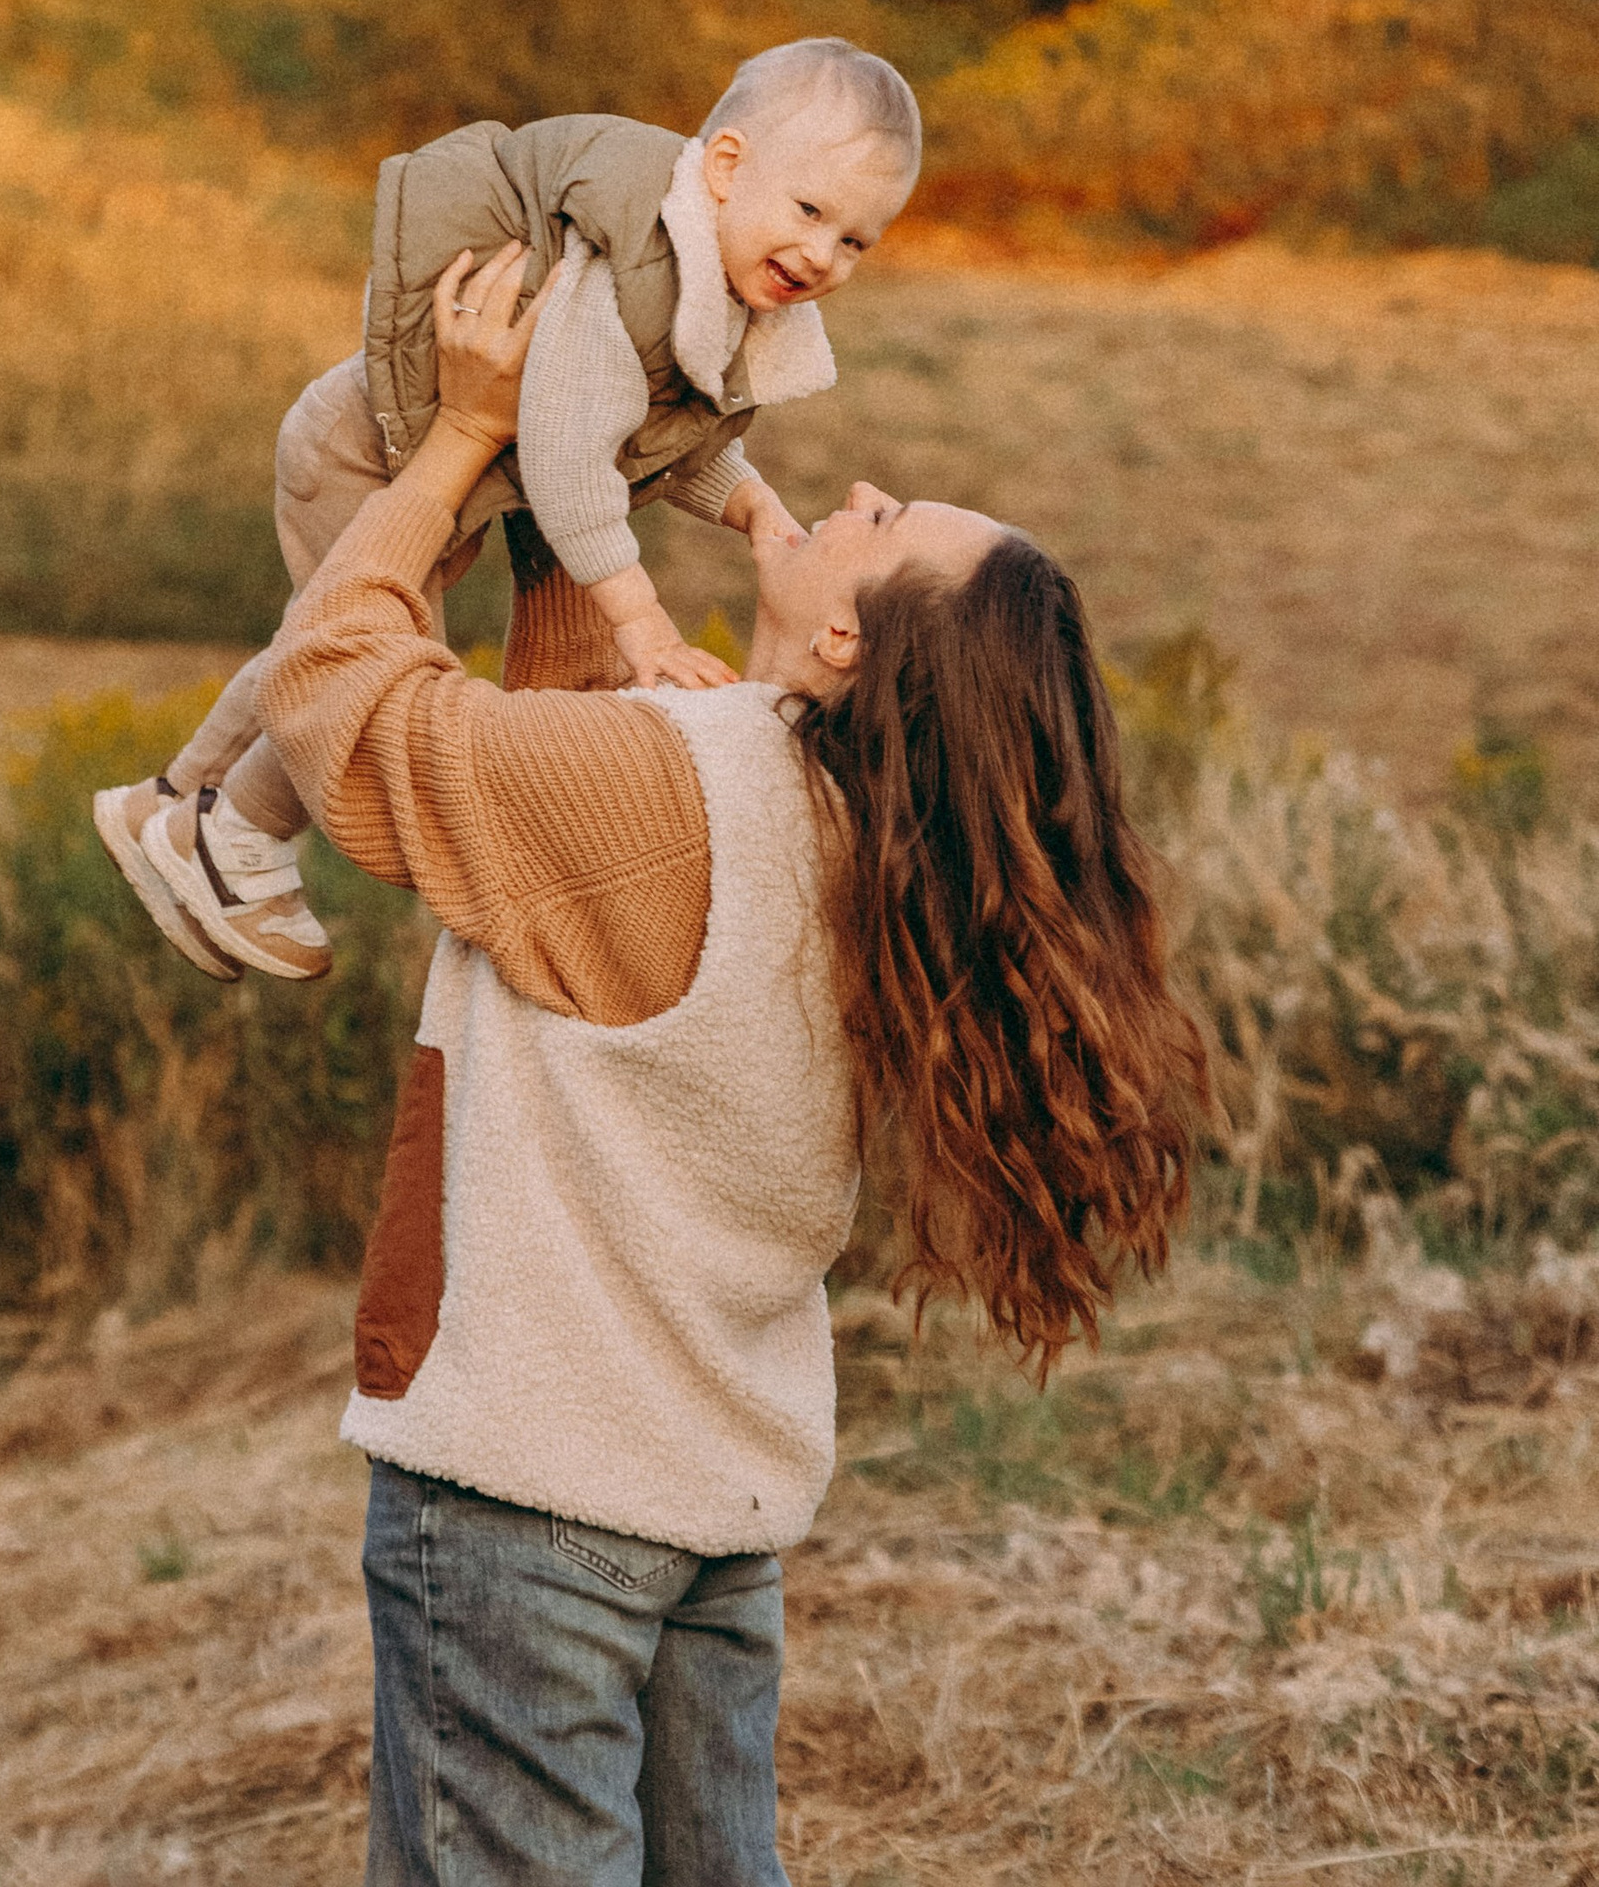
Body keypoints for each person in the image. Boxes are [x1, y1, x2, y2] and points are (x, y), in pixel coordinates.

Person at [257, 244, 1208, 1887]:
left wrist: (451, 438)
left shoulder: (678, 788)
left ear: (844, 639)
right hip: (708, 1501)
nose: (858, 483)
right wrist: (568, 489)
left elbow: (334, 701)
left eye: (886, 522)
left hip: (526, 1494)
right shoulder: (875, 871)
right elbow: (572, 827)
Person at [93, 36, 923, 982]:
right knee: (362, 674)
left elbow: (649, 439)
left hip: (394, 464)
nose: (821, 254)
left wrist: (747, 504)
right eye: (810, 211)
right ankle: (234, 841)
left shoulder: (717, 284)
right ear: (727, 168)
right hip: (363, 460)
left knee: (312, 636)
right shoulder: (634, 276)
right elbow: (572, 460)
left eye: (855, 240)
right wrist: (640, 622)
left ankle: (169, 802)